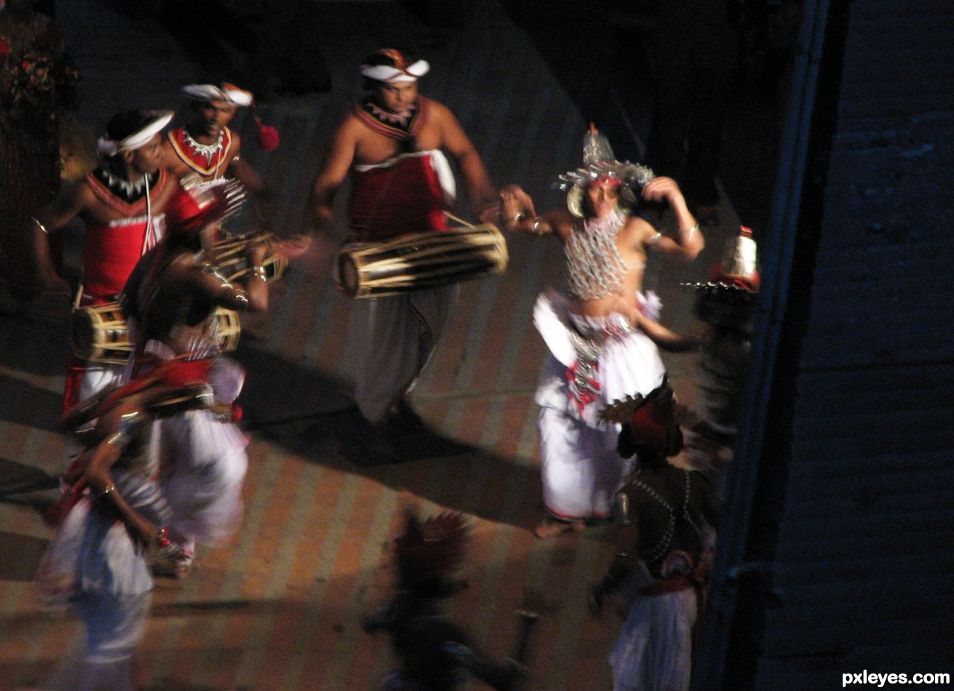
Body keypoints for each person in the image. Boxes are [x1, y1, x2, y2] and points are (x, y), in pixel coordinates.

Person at [309, 48, 530, 461]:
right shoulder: (354, 129)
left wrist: (484, 198)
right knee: (381, 341)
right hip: (380, 251)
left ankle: (396, 400)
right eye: (394, 90)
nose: (403, 97)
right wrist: (328, 229)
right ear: (374, 88)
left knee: (427, 330)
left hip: (432, 241)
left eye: (409, 88)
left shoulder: (436, 115)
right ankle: (376, 419)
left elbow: (464, 152)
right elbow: (326, 187)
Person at [499, 125, 704, 538]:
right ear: (582, 190)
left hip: (622, 347)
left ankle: (632, 505)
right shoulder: (564, 225)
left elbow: (691, 249)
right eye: (594, 186)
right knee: (560, 426)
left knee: (627, 433)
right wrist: (513, 206)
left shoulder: (636, 230)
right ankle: (566, 510)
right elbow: (523, 224)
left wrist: (678, 200)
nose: (602, 193)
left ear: (618, 189)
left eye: (609, 186)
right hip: (574, 344)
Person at [120, 177, 269, 574]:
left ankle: (176, 545)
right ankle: (166, 535)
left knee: (175, 466)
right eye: (213, 226)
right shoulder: (195, 276)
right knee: (221, 467)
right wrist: (257, 261)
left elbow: (126, 307)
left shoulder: (153, 259)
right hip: (178, 390)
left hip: (147, 378)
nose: (218, 233)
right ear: (198, 231)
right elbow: (254, 301)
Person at [35, 372, 210, 690]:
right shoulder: (131, 417)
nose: (182, 414)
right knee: (111, 644)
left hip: (100, 541)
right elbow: (97, 472)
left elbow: (71, 426)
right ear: (166, 393)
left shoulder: (127, 406)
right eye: (183, 404)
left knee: (108, 640)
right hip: (108, 549)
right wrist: (133, 521)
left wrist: (96, 407)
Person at [32, 109, 180, 410]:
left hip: (152, 303)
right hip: (104, 307)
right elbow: (40, 224)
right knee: (91, 393)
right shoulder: (88, 193)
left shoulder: (167, 185)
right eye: (152, 147)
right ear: (128, 156)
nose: (161, 151)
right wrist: (48, 277)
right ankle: (86, 449)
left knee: (148, 389)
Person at [588, 381, 721, 691]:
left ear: (631, 445)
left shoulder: (627, 497)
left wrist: (599, 589)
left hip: (657, 615)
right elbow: (728, 529)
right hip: (699, 603)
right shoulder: (696, 482)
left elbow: (625, 558)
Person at [363, 510, 527, 690]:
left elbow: (370, 623)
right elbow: (504, 680)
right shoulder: (446, 636)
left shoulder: (394, 610)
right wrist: (528, 625)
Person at [161, 81, 269, 195]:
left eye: (225, 110)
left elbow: (234, 164)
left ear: (233, 113)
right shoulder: (167, 151)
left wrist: (264, 193)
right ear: (196, 107)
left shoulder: (232, 142)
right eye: (210, 108)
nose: (216, 117)